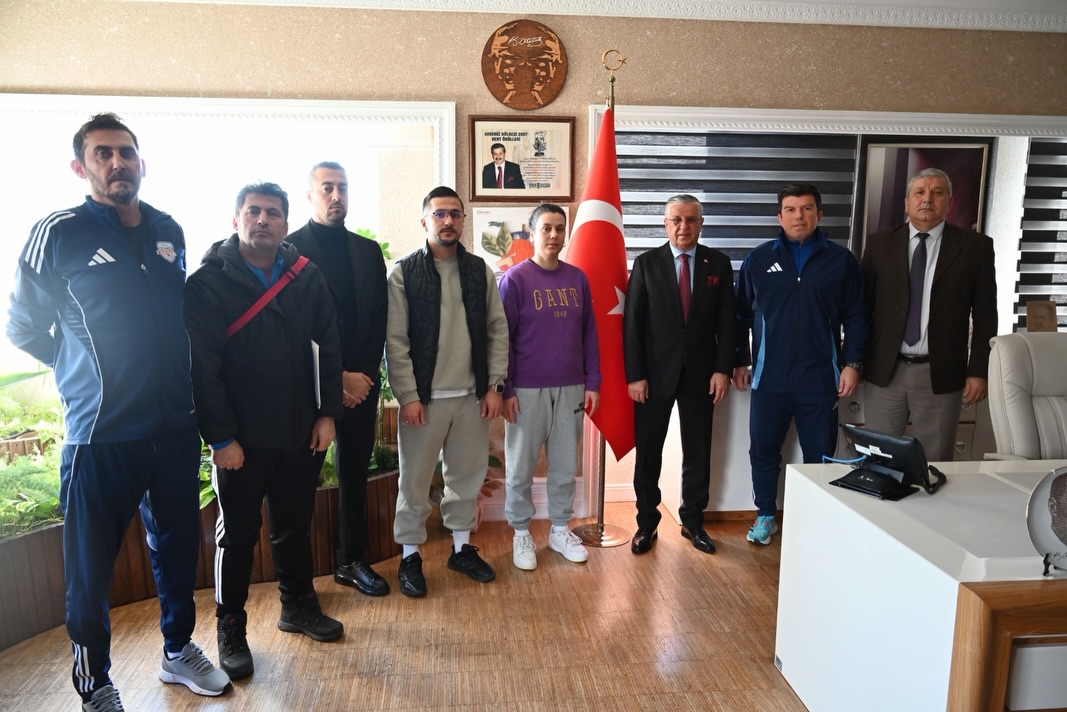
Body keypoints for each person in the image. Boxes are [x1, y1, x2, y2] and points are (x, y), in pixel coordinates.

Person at [6, 113, 229, 711]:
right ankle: (96, 683)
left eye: (126, 152)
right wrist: (81, 371)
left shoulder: (167, 229)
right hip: (100, 434)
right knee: (90, 569)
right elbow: (23, 326)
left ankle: (177, 651)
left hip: (174, 428)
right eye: (102, 154)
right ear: (81, 167)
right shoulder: (59, 231)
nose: (117, 163)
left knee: (176, 549)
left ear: (141, 163)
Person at [183, 182, 345, 681]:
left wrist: (327, 414)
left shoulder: (306, 276)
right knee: (237, 536)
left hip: (299, 429)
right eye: (253, 211)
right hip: (241, 440)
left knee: (294, 526)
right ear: (236, 220)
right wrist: (221, 438)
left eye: (273, 213)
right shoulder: (208, 282)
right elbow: (202, 368)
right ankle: (230, 628)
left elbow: (329, 345)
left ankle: (297, 606)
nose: (262, 220)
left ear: (285, 223)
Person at [385, 186, 509, 596]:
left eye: (455, 214)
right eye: (439, 214)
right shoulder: (404, 274)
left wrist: (494, 385)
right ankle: (409, 557)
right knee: (415, 482)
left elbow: (497, 330)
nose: (448, 221)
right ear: (425, 221)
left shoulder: (478, 271)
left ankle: (460, 550)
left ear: (463, 221)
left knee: (466, 479)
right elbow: (395, 341)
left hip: (472, 398)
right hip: (424, 401)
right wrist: (408, 396)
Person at [732, 184, 867, 546]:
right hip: (768, 378)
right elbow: (739, 315)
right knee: (763, 451)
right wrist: (740, 360)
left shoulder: (841, 261)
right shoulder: (759, 260)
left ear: (819, 215)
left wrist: (853, 363)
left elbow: (856, 317)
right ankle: (765, 515)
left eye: (807, 209)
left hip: (820, 379)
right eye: (790, 209)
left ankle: (813, 517)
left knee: (819, 454)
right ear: (779, 217)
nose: (799, 216)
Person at [287, 162, 390, 597]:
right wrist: (337, 378)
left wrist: (361, 376)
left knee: (354, 474)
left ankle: (352, 560)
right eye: (326, 187)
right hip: (312, 388)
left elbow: (379, 317)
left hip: (362, 386)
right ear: (310, 195)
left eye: (342, 188)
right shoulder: (289, 249)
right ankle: (298, 581)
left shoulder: (367, 251)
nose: (336, 195)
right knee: (301, 482)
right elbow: (292, 328)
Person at [623, 194, 736, 555]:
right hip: (654, 376)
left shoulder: (718, 263)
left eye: (690, 220)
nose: (683, 227)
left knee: (698, 450)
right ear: (665, 223)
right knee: (649, 452)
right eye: (676, 220)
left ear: (701, 224)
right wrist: (635, 375)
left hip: (702, 375)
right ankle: (646, 524)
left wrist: (722, 369)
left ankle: (693, 521)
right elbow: (632, 324)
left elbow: (727, 323)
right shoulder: (646, 263)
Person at [862, 167, 997, 461]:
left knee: (934, 462)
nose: (927, 199)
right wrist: (854, 362)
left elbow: (986, 315)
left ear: (950, 202)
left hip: (940, 372)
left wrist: (978, 371)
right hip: (885, 371)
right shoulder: (879, 243)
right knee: (880, 460)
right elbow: (861, 307)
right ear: (907, 202)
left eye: (937, 192)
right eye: (920, 192)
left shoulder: (976, 248)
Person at [497, 203, 601, 570]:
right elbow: (502, 341)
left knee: (565, 465)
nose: (554, 235)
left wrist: (593, 381)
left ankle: (559, 530)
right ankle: (521, 533)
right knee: (520, 466)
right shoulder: (515, 280)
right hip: (526, 390)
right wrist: (506, 389)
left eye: (560, 228)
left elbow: (589, 335)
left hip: (571, 386)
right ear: (532, 233)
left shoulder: (578, 279)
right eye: (546, 228)